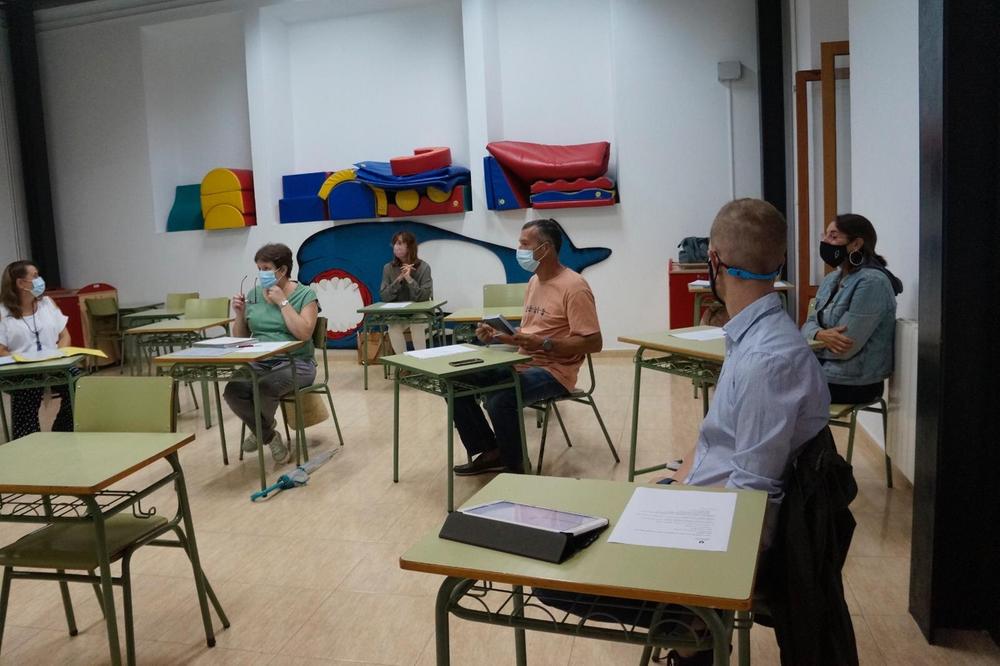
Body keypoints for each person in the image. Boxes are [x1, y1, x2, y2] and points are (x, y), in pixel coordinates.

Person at [536, 199, 831, 665]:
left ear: (713, 261)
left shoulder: (766, 360)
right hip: (701, 506)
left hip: (717, 534)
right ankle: (689, 636)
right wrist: (674, 484)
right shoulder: (753, 336)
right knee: (569, 534)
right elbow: (718, 439)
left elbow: (754, 496)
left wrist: (705, 585)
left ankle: (694, 627)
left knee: (555, 575)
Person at [450, 218, 602, 475]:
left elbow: (594, 343)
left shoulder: (574, 287)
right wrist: (498, 336)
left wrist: (545, 343)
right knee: (456, 381)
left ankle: (516, 467)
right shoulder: (534, 282)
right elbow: (528, 335)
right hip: (522, 362)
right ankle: (491, 451)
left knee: (500, 399)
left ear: (546, 248)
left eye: (524, 244)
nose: (519, 249)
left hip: (555, 371)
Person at [226, 243, 319, 464]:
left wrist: (283, 303)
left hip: (298, 363)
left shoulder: (306, 294)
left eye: (266, 268)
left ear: (283, 270)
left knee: (266, 386)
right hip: (260, 361)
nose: (262, 274)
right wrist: (239, 314)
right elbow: (240, 339)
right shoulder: (254, 295)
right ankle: (268, 434)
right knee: (233, 389)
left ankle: (261, 433)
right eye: (259, 268)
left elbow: (304, 333)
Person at [802, 213, 903, 405]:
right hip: (823, 373)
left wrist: (811, 342)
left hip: (855, 383)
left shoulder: (872, 283)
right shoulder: (831, 279)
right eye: (825, 235)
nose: (825, 241)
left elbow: (844, 349)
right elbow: (807, 324)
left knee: (775, 392)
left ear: (855, 244)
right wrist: (819, 335)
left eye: (833, 236)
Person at [0, 260, 75, 439]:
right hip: (20, 370)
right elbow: (1, 350)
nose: (40, 280)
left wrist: (58, 356)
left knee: (79, 383)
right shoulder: (3, 312)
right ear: (20, 283)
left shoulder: (47, 303)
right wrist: (24, 361)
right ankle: (28, 440)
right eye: (34, 276)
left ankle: (62, 433)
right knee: (28, 392)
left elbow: (65, 336)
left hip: (53, 365)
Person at [379, 231, 433, 353]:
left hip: (419, 313)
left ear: (409, 246)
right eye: (394, 244)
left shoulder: (424, 267)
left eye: (399, 243)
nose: (395, 247)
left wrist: (409, 279)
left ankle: (422, 362)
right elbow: (384, 296)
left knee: (417, 324)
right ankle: (403, 364)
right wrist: (398, 280)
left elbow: (424, 296)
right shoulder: (388, 268)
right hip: (398, 314)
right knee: (393, 326)